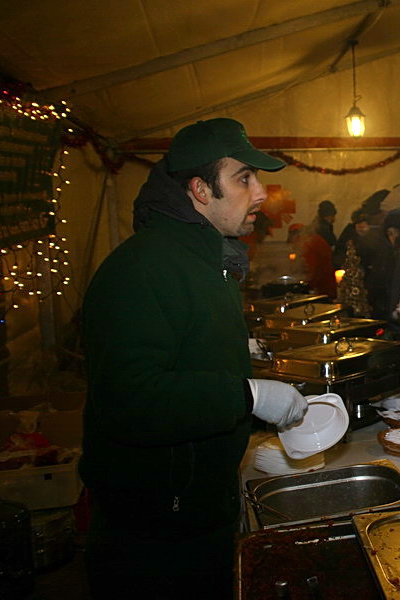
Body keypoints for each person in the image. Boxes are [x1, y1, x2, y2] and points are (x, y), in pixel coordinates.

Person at [80, 118, 309, 600]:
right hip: (155, 535)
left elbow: (180, 348)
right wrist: (246, 394)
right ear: (201, 190)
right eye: (244, 178)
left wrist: (236, 352)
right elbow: (129, 400)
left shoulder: (208, 260)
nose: (262, 193)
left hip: (198, 510)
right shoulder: (144, 269)